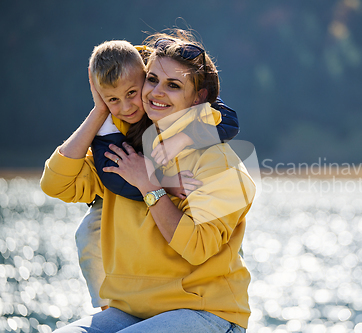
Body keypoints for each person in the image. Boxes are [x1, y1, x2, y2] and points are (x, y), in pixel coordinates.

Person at [40, 29, 255, 332]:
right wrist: (99, 110)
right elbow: (55, 184)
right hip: (133, 310)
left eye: (173, 86)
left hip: (207, 313)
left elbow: (197, 248)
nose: (156, 92)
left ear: (199, 96)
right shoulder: (125, 149)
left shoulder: (218, 162)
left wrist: (150, 185)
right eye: (152, 80)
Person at [75, 40, 240, 310]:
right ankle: (107, 306)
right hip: (133, 177)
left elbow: (229, 120)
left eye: (172, 85)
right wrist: (160, 183)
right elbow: (111, 174)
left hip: (203, 302)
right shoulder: (113, 107)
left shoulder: (151, 67)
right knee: (87, 232)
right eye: (152, 81)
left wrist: (186, 137)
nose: (127, 105)